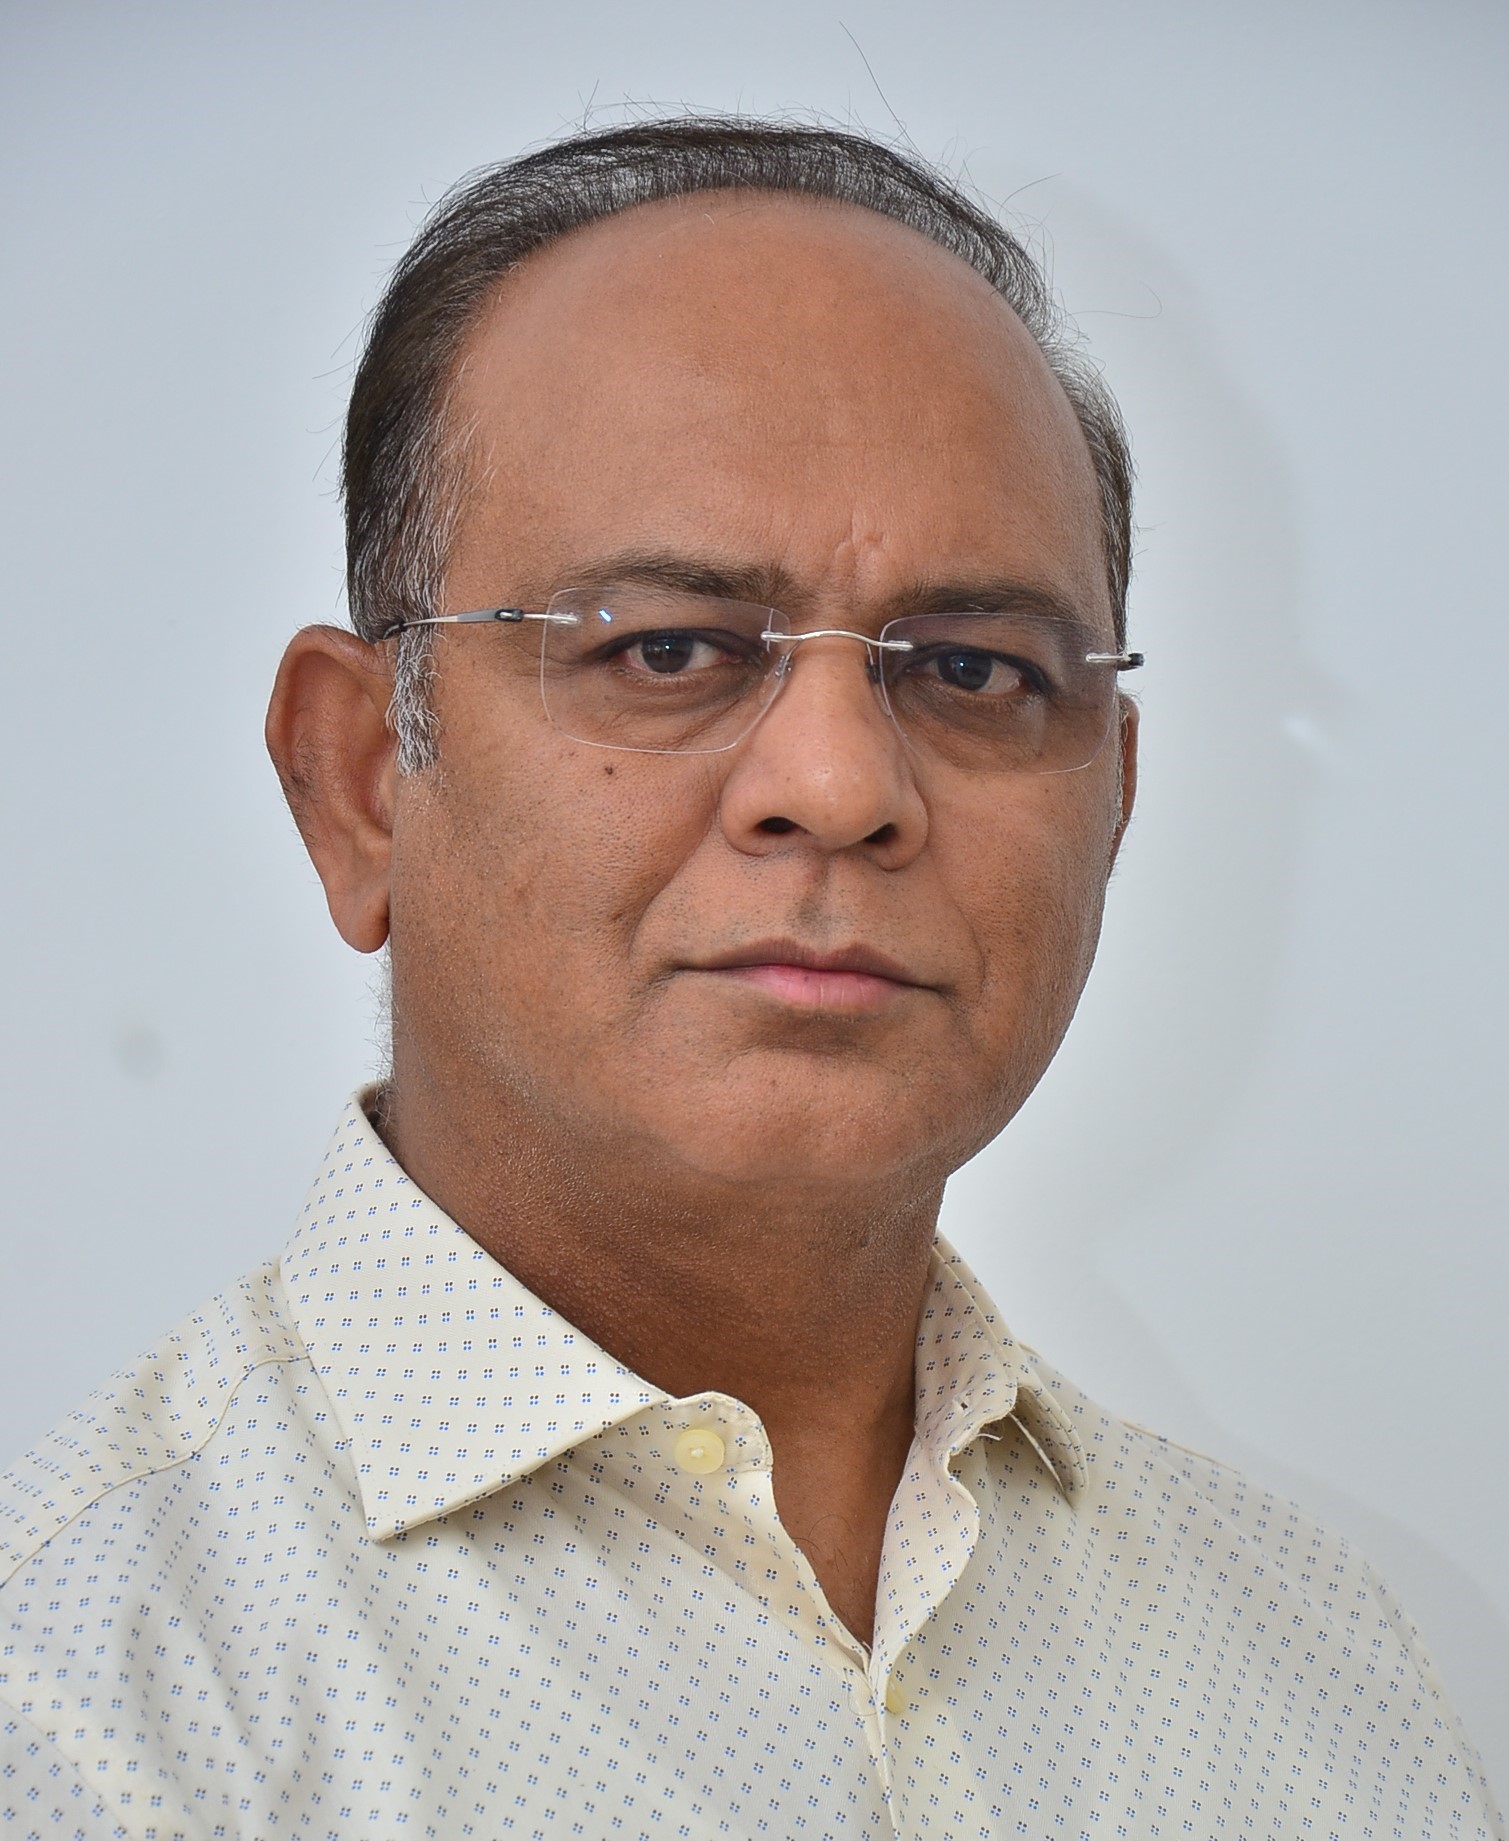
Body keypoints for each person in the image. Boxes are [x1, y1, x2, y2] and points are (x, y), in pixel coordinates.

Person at [0, 117, 1499, 1841]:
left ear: (1111, 804)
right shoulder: (81, 1711)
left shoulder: (1324, 1674)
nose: (841, 785)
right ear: (358, 784)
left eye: (971, 669)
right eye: (668, 648)